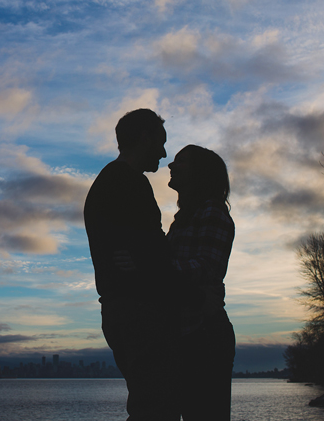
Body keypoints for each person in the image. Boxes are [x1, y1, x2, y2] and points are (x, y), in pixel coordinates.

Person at [83, 108, 179, 421]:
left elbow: (145, 248)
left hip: (120, 309)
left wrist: (144, 255)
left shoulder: (110, 181)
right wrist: (149, 257)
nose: (164, 153)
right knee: (155, 408)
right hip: (139, 310)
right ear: (144, 138)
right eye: (160, 143)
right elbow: (155, 249)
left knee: (148, 405)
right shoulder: (127, 182)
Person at [166, 145, 236, 421]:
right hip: (185, 335)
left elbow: (207, 267)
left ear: (200, 173)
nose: (171, 166)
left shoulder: (213, 211)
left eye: (180, 162)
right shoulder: (184, 219)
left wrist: (153, 269)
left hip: (205, 336)